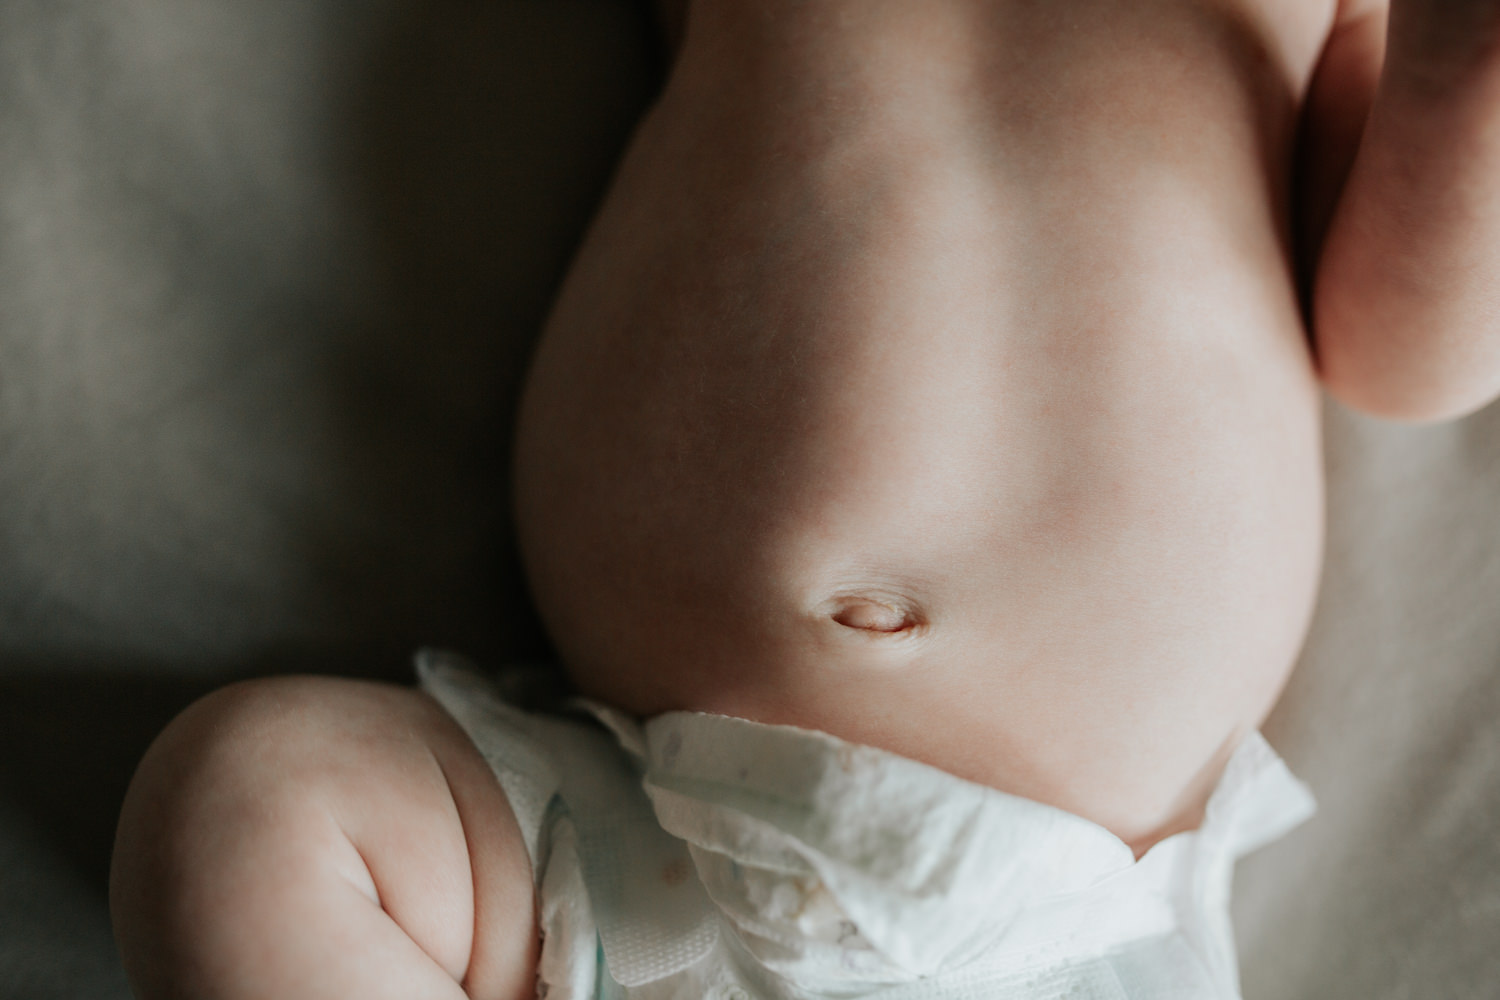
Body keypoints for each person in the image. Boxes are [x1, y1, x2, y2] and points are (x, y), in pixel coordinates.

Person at [110, 1, 1500, 997]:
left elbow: (1392, 351)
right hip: (632, 844)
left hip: (1021, 919)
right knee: (245, 806)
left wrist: (1460, 72)